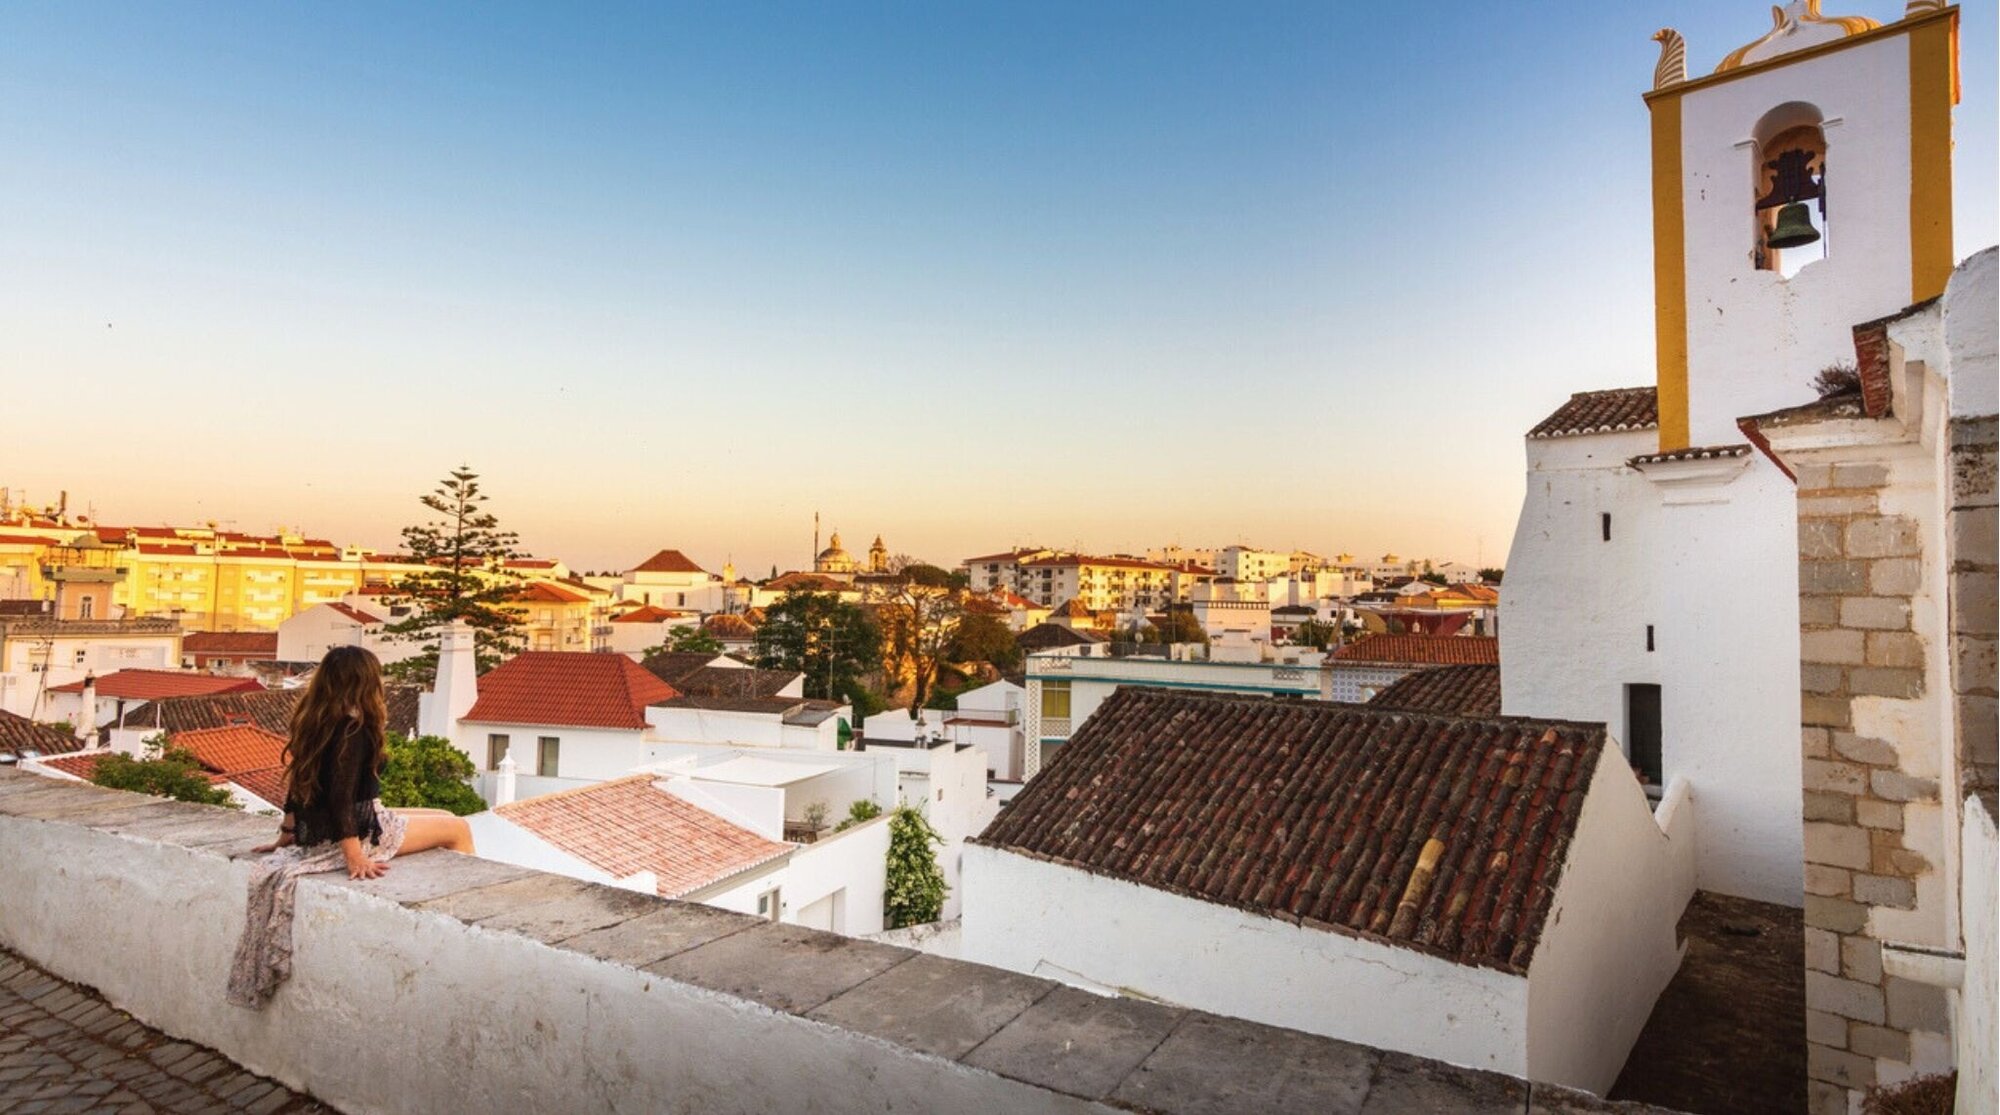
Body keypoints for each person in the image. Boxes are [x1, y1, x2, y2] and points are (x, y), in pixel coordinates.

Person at [226, 645, 476, 1008]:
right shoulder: (353, 728)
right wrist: (354, 855)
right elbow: (342, 797)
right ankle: (464, 920)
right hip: (356, 830)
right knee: (460, 829)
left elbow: (299, 784)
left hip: (338, 824)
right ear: (364, 683)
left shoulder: (313, 721)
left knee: (443, 814)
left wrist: (287, 835)